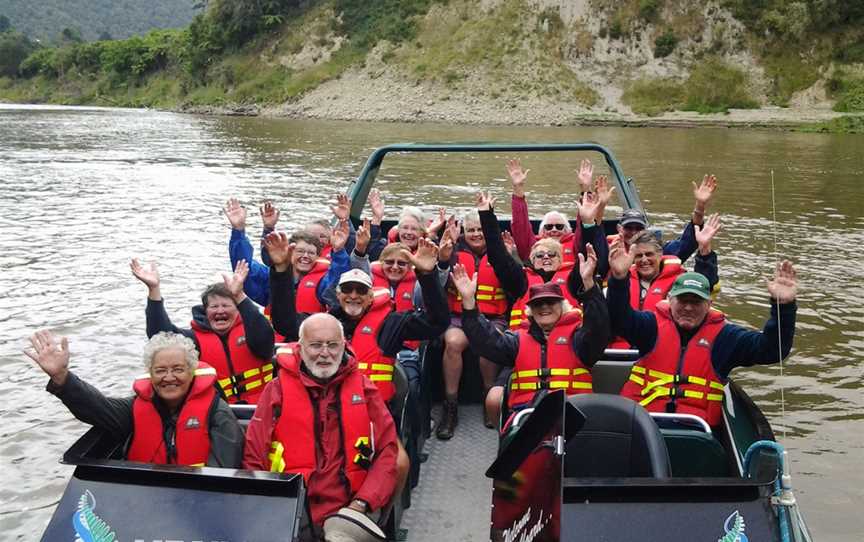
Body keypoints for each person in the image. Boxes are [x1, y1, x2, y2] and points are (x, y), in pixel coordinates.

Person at [607, 238, 798, 426]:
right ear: (670, 300)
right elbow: (619, 317)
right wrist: (618, 278)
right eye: (683, 301)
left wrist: (783, 307)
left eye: (696, 302)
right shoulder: (650, 326)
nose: (688, 308)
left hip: (695, 432)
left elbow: (773, 350)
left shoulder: (726, 337)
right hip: (642, 425)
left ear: (709, 304)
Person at [243, 313, 397, 540]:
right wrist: (270, 507)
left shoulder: (364, 388)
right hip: (292, 506)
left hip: (349, 507)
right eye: (315, 345)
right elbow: (254, 457)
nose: (325, 353)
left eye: (333, 345)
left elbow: (387, 451)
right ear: (301, 346)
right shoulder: (276, 390)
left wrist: (362, 503)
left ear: (343, 346)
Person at [26, 330, 243, 467]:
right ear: (150, 373)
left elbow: (225, 472)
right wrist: (62, 378)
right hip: (144, 497)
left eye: (178, 369)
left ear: (192, 371)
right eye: (160, 370)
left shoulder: (217, 412)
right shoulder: (134, 408)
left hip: (198, 500)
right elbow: (96, 407)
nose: (169, 378)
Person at [451, 242, 609, 420]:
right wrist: (469, 303)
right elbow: (486, 341)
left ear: (563, 307)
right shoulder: (518, 339)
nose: (544, 307)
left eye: (551, 303)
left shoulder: (579, 338)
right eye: (538, 304)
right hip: (526, 414)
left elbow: (599, 328)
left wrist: (589, 286)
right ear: (530, 311)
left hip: (574, 414)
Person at [131, 258, 275, 404]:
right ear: (206, 312)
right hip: (219, 410)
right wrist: (154, 290)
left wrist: (239, 295)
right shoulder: (194, 340)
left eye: (225, 305)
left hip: (262, 407)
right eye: (214, 306)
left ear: (238, 309)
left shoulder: (253, 329)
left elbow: (264, 338)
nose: (220, 310)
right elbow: (160, 335)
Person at [435, 202, 509, 439]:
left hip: (492, 317)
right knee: (453, 342)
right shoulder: (453, 252)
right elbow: (437, 284)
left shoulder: (500, 254)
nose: (476, 234)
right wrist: (443, 260)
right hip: (459, 317)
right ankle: (451, 405)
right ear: (464, 232)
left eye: (480, 229)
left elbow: (515, 283)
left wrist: (513, 255)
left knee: (489, 346)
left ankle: (490, 399)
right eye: (471, 230)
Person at [607, 215, 721, 349]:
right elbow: (615, 312)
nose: (644, 260)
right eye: (638, 256)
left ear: (660, 254)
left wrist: (704, 250)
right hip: (621, 351)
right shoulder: (621, 281)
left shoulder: (680, 281)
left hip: (664, 345)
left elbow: (705, 285)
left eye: (649, 254)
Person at [225, 196, 355, 309]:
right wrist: (238, 230)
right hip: (275, 336)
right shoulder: (270, 278)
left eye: (311, 253)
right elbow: (242, 266)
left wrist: (338, 250)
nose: (305, 256)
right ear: (290, 253)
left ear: (317, 256)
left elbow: (338, 284)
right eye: (300, 251)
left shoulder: (322, 282)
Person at [507, 157, 612, 263]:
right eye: (548, 227)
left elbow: (585, 223)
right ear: (541, 231)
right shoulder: (533, 246)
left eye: (559, 226)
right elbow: (521, 226)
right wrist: (518, 187)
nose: (554, 230)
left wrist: (585, 189)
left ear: (567, 230)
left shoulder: (575, 243)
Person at [607, 174, 719, 263]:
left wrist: (700, 205)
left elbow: (687, 243)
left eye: (638, 228)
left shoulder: (658, 251)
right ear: (619, 229)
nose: (633, 232)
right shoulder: (609, 251)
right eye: (628, 228)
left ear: (645, 230)